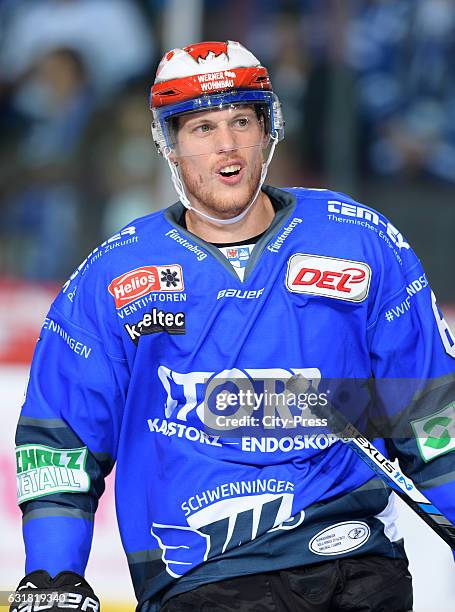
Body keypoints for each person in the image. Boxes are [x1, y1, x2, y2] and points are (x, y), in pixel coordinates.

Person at [11, 40, 455, 612]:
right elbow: (61, 437)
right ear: (168, 145)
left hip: (357, 561)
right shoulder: (115, 272)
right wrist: (52, 572)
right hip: (202, 579)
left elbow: (432, 410)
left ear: (268, 130)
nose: (227, 145)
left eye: (241, 120)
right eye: (201, 128)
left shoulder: (358, 239)